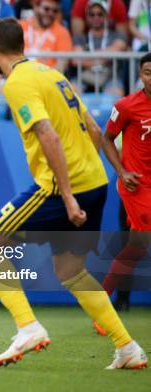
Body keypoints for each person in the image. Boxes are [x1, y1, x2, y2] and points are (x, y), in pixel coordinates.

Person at [0, 17, 146, 369]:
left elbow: (48, 136)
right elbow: (94, 127)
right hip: (94, 182)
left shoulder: (17, 82)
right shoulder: (50, 73)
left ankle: (27, 326)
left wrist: (67, 196)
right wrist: (106, 173)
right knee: (71, 270)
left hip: (59, 187)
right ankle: (127, 347)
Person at [94, 53, 151, 335]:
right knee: (140, 242)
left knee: (136, 248)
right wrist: (122, 172)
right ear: (140, 75)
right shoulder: (126, 106)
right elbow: (105, 138)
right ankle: (103, 308)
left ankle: (100, 305)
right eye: (148, 72)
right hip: (136, 185)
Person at [72, 0, 127, 96]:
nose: (96, 18)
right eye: (92, 15)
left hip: (110, 77)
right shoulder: (80, 38)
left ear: (106, 16)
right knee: (71, 91)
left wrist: (86, 57)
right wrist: (106, 57)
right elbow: (76, 60)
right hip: (85, 76)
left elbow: (118, 49)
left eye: (99, 14)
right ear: (87, 17)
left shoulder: (117, 35)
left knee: (116, 94)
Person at [18, 0, 73, 73]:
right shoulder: (19, 26)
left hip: (46, 80)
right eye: (46, 9)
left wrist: (41, 77)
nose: (50, 13)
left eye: (55, 11)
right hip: (18, 76)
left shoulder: (62, 32)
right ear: (36, 7)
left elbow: (62, 64)